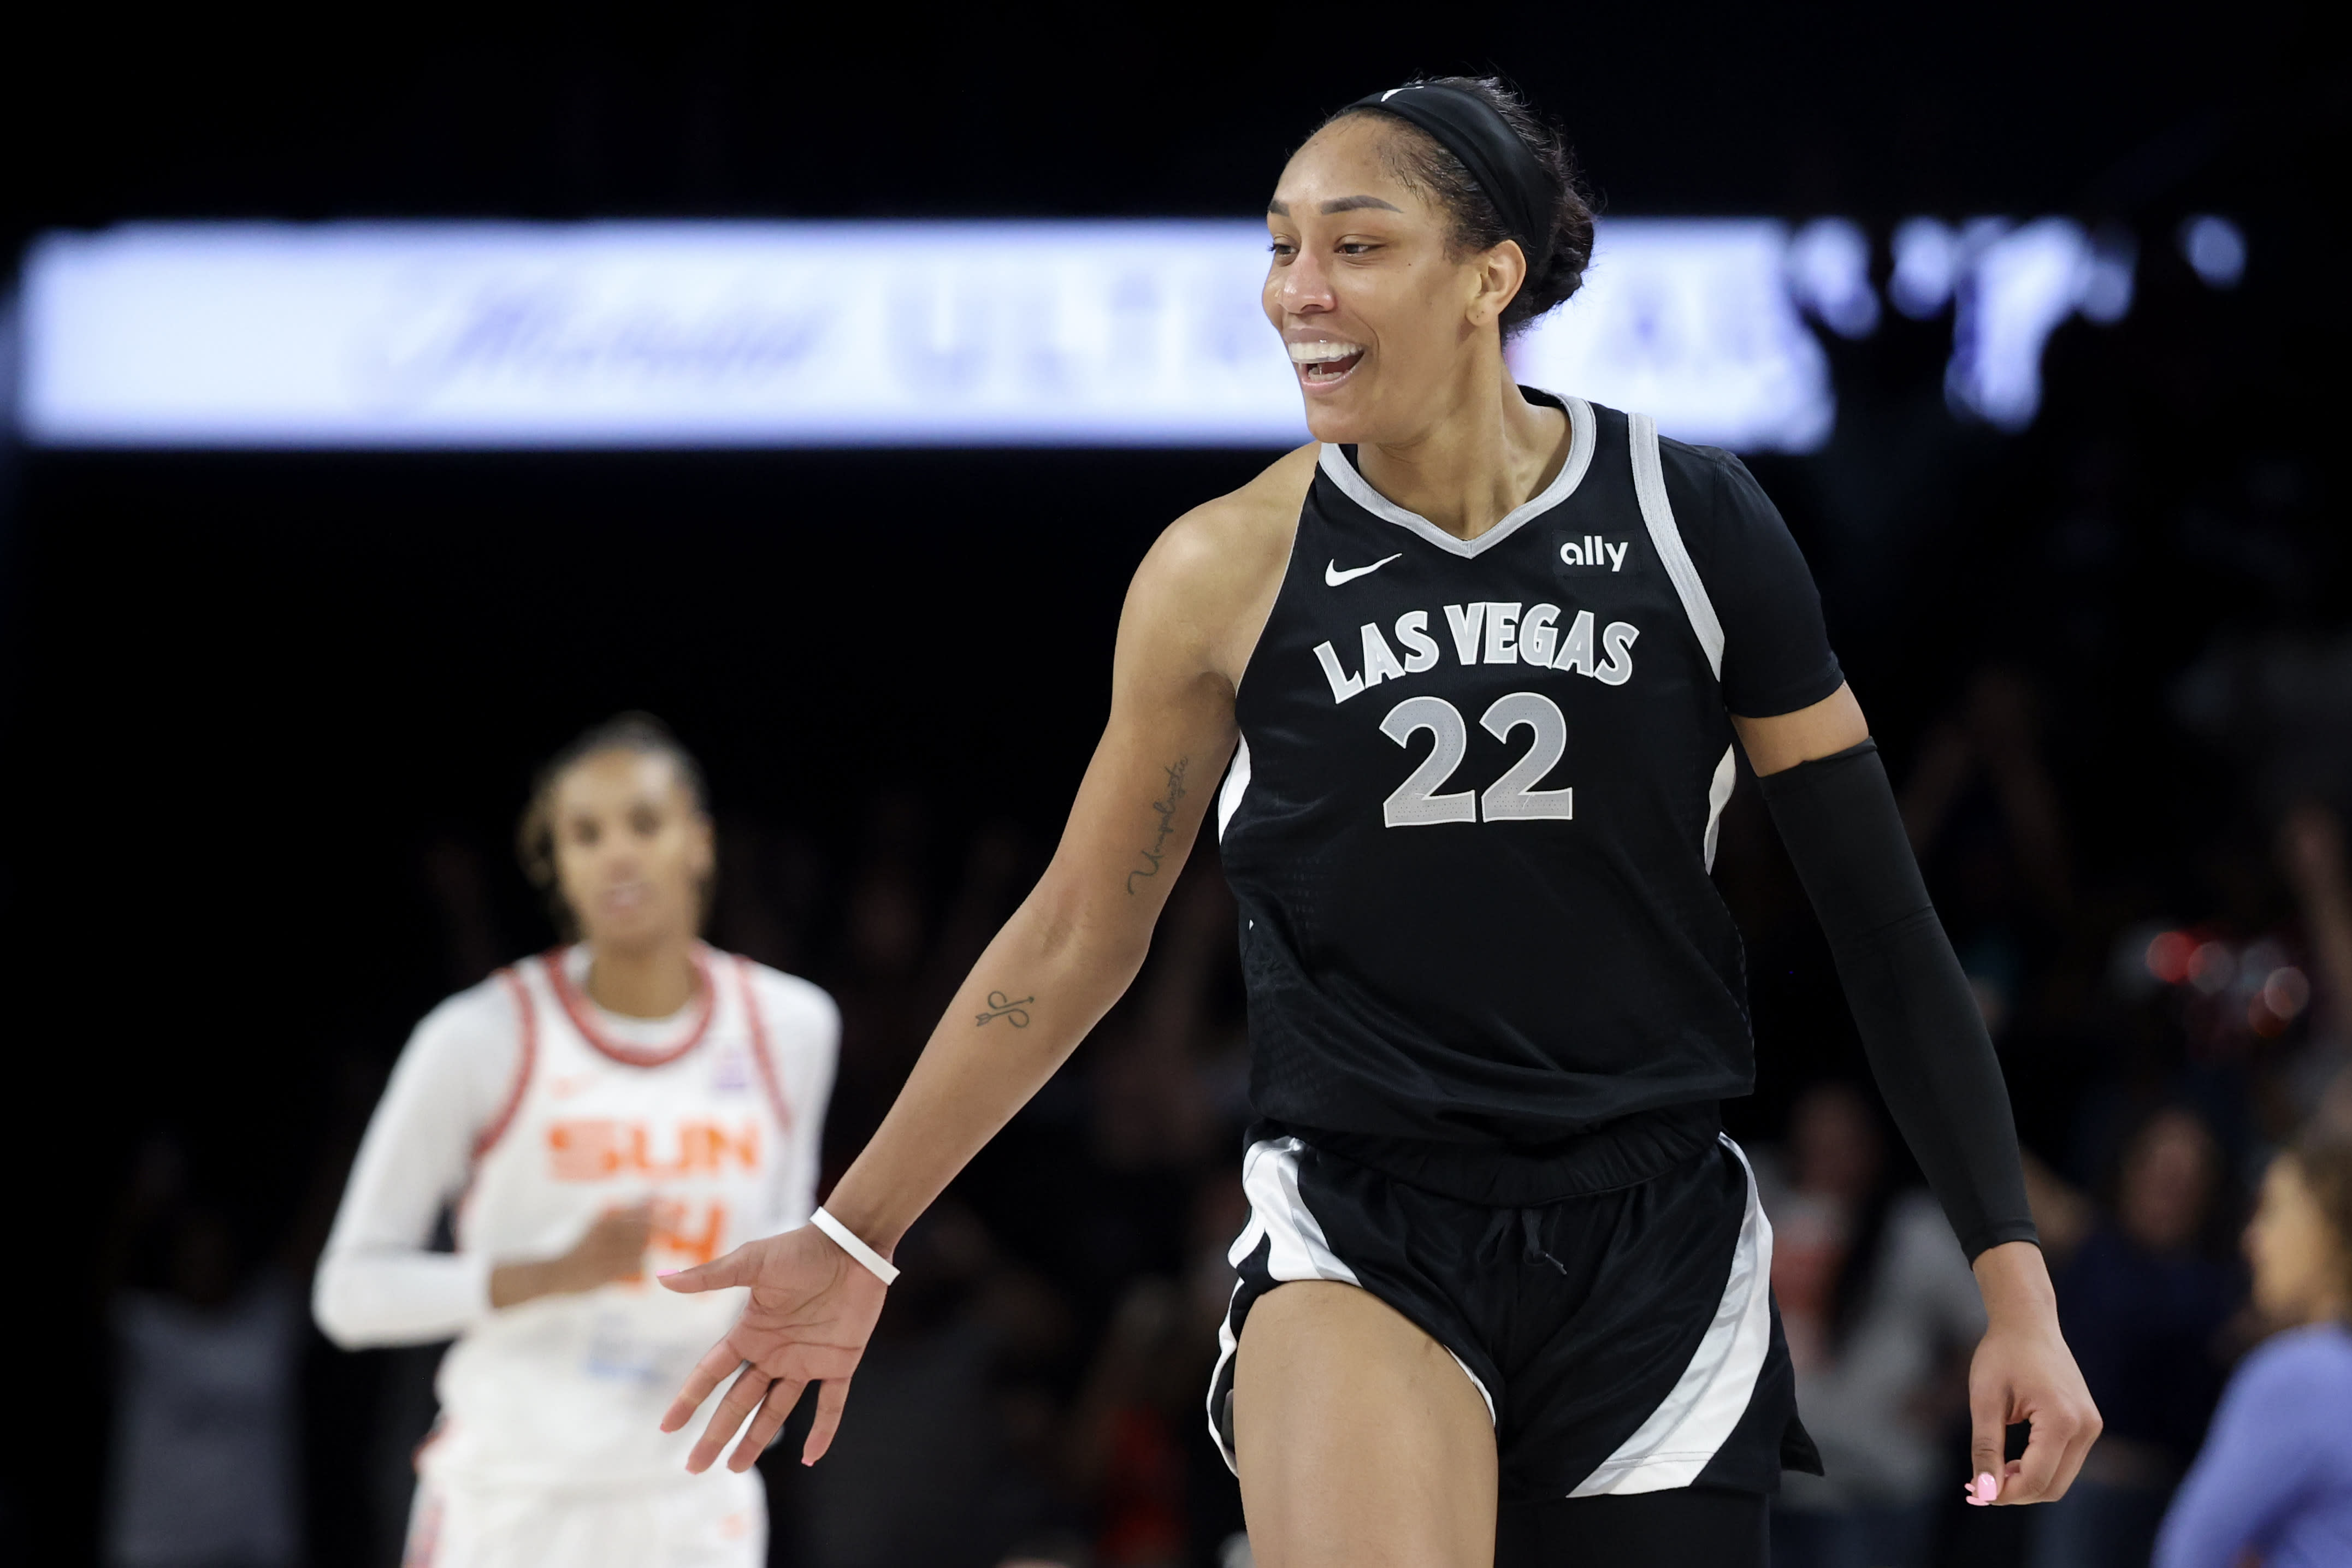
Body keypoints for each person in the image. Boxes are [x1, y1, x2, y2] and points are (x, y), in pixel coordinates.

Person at [658, 78, 2099, 1568]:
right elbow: (1081, 929)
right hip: (1366, 1222)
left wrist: (2018, 1287)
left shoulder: (1696, 523)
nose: (1297, 291)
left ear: (1492, 274)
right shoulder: (1223, 567)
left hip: (1654, 1238)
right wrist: (853, 1228)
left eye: (1354, 245)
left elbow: (1881, 919)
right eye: (1281, 247)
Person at [314, 715, 838, 1568]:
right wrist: (550, 1272)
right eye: (584, 834)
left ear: (699, 841)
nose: (617, 856)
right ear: (554, 863)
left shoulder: (791, 1026)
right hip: (512, 1497)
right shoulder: (478, 1036)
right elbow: (349, 1292)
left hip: (691, 1501)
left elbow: (775, 1269)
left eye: (643, 822)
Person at [2154, 1129, 2352, 1568]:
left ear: (2334, 1229)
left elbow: (2188, 1555)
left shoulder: (2301, 1375)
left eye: (2274, 1211)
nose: (2253, 1239)